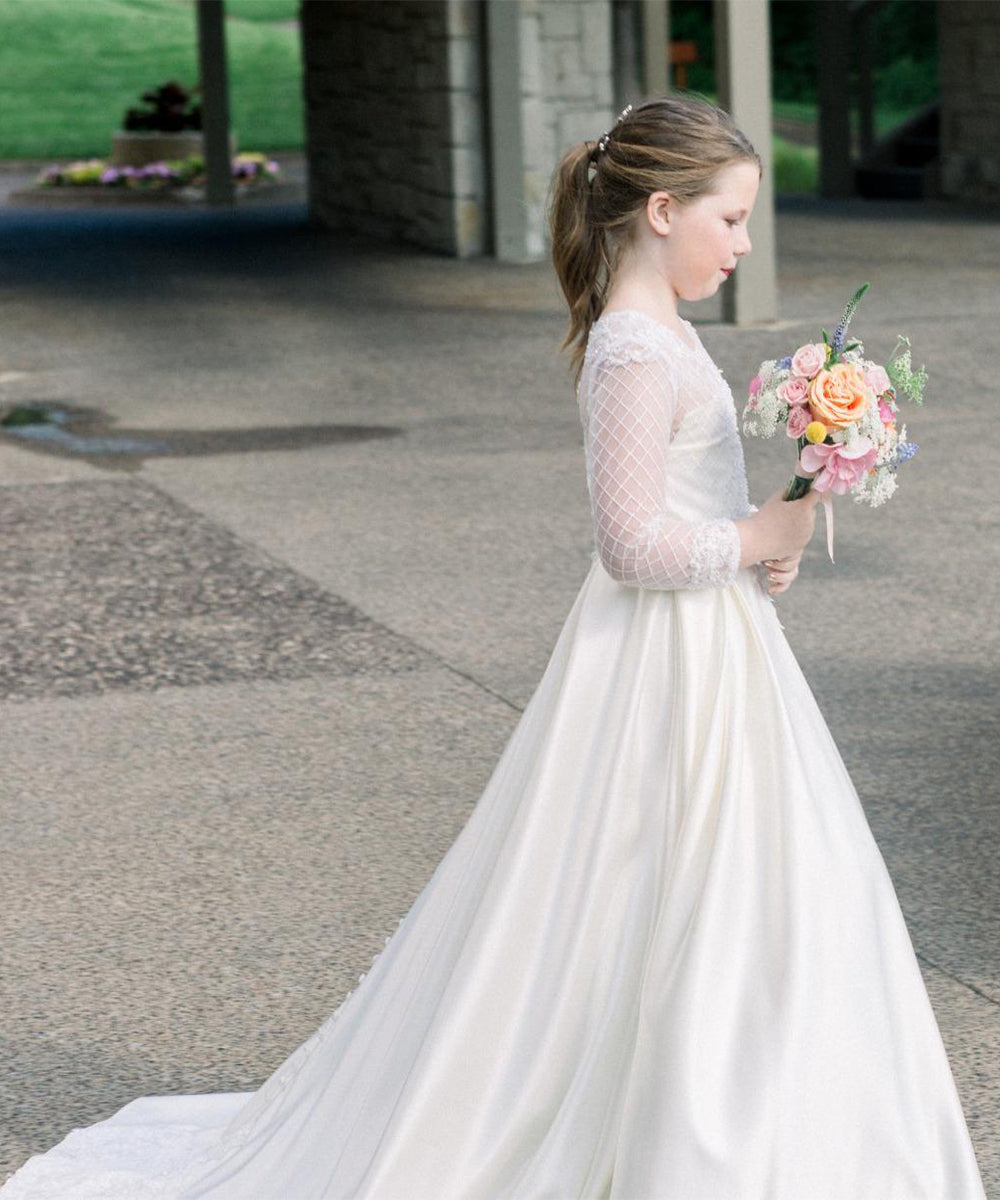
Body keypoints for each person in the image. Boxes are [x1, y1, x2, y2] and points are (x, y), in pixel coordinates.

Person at [1, 93, 987, 1200]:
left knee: (742, 889)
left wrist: (767, 536)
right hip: (657, 662)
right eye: (732, 218)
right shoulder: (630, 351)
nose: (747, 242)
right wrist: (750, 531)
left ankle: (741, 1122)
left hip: (716, 646)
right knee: (648, 884)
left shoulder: (665, 336)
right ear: (661, 210)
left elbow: (683, 507)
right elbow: (628, 543)